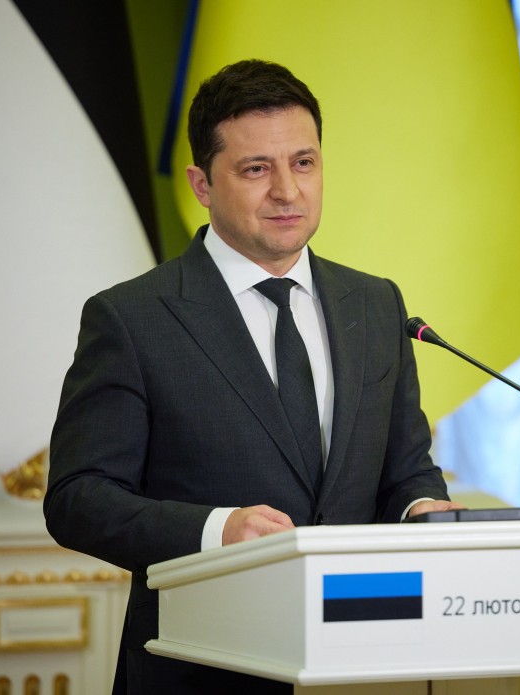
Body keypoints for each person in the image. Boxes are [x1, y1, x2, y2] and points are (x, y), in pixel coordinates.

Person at [44, 59, 462, 694]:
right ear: (202, 184)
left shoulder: (377, 305)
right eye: (256, 169)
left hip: (364, 660)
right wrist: (217, 531)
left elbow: (404, 470)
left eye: (303, 162)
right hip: (202, 669)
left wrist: (422, 509)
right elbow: (77, 499)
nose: (288, 191)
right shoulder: (131, 318)